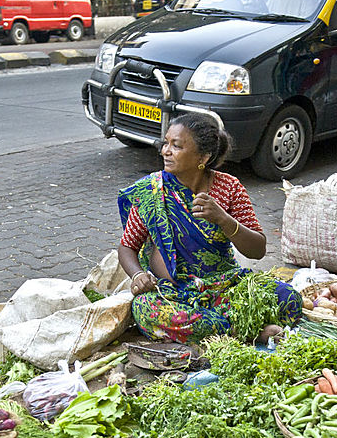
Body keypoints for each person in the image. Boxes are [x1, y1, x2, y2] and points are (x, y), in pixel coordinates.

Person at [117, 114, 302, 345]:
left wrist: (224, 220)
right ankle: (245, 331)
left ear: (202, 157)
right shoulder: (151, 191)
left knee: (289, 298)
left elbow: (257, 250)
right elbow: (127, 246)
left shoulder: (229, 188)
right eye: (166, 143)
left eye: (176, 146)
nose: (165, 151)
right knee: (146, 309)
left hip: (225, 287)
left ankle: (223, 331)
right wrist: (137, 275)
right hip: (175, 293)